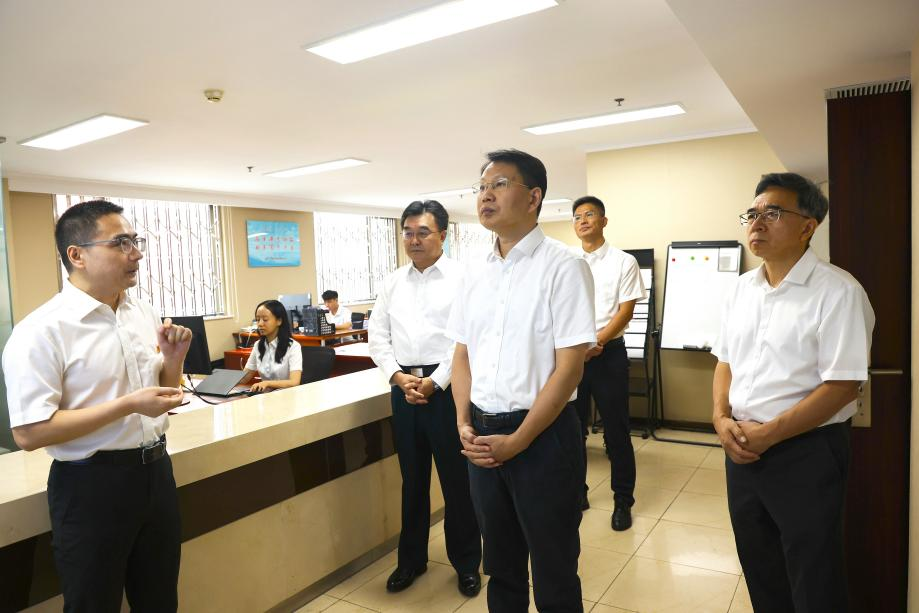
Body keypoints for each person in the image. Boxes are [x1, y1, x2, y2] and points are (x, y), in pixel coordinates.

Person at [2, 200, 192, 612]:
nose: (136, 254)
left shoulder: (141, 311)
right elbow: (29, 433)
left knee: (160, 600)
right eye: (121, 243)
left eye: (136, 241)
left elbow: (160, 398)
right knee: (94, 604)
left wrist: (173, 360)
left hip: (156, 473)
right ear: (77, 255)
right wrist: (126, 405)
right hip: (91, 486)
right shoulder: (41, 330)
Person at [712, 173, 875, 613]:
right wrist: (720, 418)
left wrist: (770, 434)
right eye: (752, 213)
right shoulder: (740, 290)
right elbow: (725, 361)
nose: (756, 222)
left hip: (807, 450)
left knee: (813, 572)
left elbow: (843, 386)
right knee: (760, 564)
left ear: (808, 226)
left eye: (773, 213)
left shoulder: (839, 291)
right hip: (742, 447)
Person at [447, 149, 596, 612]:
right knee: (501, 567)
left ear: (533, 198)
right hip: (482, 437)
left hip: (543, 437)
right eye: (481, 187)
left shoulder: (564, 266)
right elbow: (462, 354)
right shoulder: (473, 271)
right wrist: (463, 422)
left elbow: (570, 368)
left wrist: (518, 440)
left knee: (554, 570)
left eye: (499, 185)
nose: (485, 196)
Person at [368, 200, 482, 597]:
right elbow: (377, 336)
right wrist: (397, 376)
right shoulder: (392, 282)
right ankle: (411, 561)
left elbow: (465, 338)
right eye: (408, 233)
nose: (414, 240)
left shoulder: (462, 278)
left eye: (423, 232)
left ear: (443, 235)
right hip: (404, 390)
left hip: (448, 390)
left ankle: (466, 563)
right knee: (412, 481)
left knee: (457, 482)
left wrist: (437, 380)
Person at [570, 195, 646, 530]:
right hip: (572, 356)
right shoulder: (567, 261)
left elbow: (625, 311)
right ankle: (578, 493)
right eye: (577, 217)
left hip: (609, 355)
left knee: (616, 432)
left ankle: (623, 501)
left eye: (589, 215)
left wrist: (596, 342)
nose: (583, 221)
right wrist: (578, 347)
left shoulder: (623, 261)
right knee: (573, 431)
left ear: (603, 221)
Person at [239, 299, 303, 392]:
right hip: (266, 396)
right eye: (257, 320)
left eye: (265, 320)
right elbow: (244, 378)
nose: (260, 324)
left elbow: (294, 382)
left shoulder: (293, 346)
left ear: (279, 321)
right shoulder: (258, 345)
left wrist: (267, 383)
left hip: (288, 396)